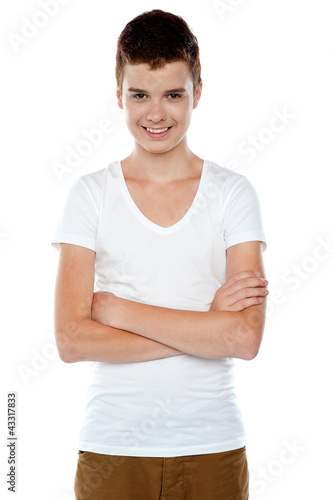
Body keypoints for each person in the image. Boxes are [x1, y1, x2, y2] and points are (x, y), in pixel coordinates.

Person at [52, 9, 268, 500]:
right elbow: (71, 340)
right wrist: (203, 328)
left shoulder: (234, 194)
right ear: (119, 95)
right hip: (112, 449)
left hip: (213, 448)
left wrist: (117, 311)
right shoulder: (89, 195)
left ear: (197, 92)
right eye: (139, 95)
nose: (156, 114)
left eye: (173, 94)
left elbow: (243, 335)